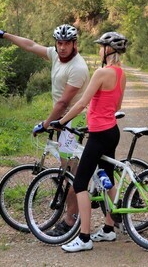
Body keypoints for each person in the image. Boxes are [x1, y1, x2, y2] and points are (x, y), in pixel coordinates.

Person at [0, 24, 90, 235]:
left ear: (75, 44)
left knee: (72, 174)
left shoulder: (78, 67)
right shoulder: (55, 54)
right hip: (63, 122)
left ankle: (70, 222)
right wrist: (4, 35)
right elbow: (30, 45)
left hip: (72, 122)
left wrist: (45, 125)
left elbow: (63, 103)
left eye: (66, 44)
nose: (62, 48)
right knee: (69, 170)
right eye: (59, 43)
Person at [49, 31, 128, 253]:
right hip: (112, 131)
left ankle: (84, 238)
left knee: (80, 184)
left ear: (109, 50)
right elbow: (117, 106)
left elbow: (82, 102)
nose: (100, 50)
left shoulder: (101, 73)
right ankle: (109, 228)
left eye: (102, 47)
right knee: (108, 179)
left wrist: (61, 121)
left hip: (100, 133)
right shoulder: (121, 74)